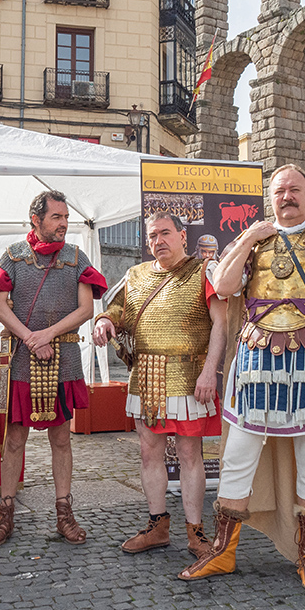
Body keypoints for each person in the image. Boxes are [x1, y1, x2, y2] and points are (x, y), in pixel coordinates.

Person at [179, 163, 305, 589]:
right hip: (253, 364)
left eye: (295, 189)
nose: (287, 196)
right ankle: (222, 551)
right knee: (236, 459)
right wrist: (251, 235)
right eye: (279, 190)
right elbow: (227, 287)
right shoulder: (252, 242)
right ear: (270, 197)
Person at [93, 211, 225, 558]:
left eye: (165, 234)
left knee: (188, 455)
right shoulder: (135, 275)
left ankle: (196, 533)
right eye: (152, 236)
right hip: (145, 377)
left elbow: (220, 325)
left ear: (183, 236)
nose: (158, 241)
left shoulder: (204, 271)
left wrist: (210, 370)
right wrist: (105, 321)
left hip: (188, 377)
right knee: (149, 453)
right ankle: (157, 525)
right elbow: (118, 309)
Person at [0, 190, 107, 546]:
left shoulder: (75, 258)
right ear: (36, 220)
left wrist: (47, 334)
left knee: (61, 439)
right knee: (14, 439)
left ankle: (64, 512)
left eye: (66, 217)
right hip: (23, 359)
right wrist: (30, 337)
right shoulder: (14, 257)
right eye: (57, 218)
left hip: (62, 358)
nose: (64, 224)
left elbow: (85, 310)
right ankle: (6, 513)